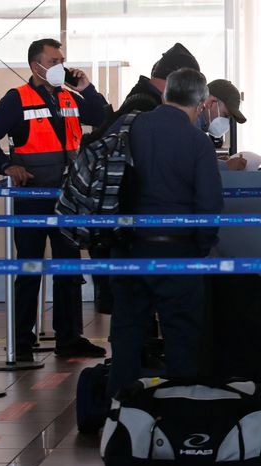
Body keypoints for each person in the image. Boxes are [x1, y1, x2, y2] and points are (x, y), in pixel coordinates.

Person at [105, 68, 223, 399]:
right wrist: (200, 247)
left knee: (127, 334)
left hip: (127, 248)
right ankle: (177, 410)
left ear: (164, 95)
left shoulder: (128, 126)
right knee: (182, 337)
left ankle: (119, 411)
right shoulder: (197, 142)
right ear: (200, 103)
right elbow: (209, 204)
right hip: (178, 252)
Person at [0, 38, 109, 362]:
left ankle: (70, 338)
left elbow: (103, 117)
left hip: (67, 197)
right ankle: (21, 341)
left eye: (62, 60)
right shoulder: (17, 99)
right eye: (54, 61)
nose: (61, 66)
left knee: (69, 268)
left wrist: (87, 87)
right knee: (30, 269)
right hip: (31, 197)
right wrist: (6, 166)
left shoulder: (70, 96)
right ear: (36, 65)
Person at [86, 42, 201, 315]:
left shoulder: (140, 100)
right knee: (134, 308)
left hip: (125, 224)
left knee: (133, 308)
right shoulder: (145, 106)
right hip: (132, 225)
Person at [197, 79, 249, 171]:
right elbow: (189, 165)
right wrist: (226, 166)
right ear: (210, 103)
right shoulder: (192, 125)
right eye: (225, 115)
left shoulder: (199, 129)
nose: (226, 122)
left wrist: (216, 161)